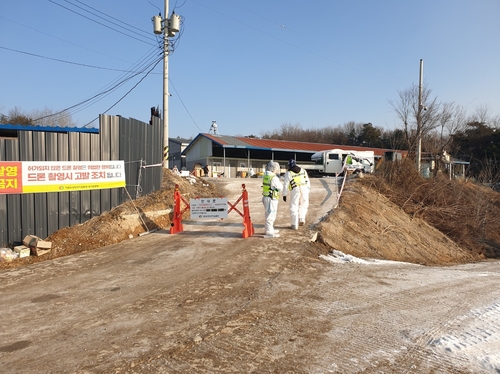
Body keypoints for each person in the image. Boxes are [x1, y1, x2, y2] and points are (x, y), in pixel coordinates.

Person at [282, 159, 310, 230]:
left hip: (295, 190)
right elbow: (307, 180)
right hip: (304, 189)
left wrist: (284, 194)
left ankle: (294, 224)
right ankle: (302, 218)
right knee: (304, 205)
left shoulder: (289, 173)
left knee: (294, 206)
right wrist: (308, 189)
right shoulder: (303, 170)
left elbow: (286, 184)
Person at [262, 161, 283, 238]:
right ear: (274, 168)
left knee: (268, 214)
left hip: (266, 197)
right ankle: (269, 231)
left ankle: (268, 229)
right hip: (271, 198)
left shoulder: (266, 176)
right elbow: (280, 187)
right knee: (271, 215)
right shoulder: (273, 178)